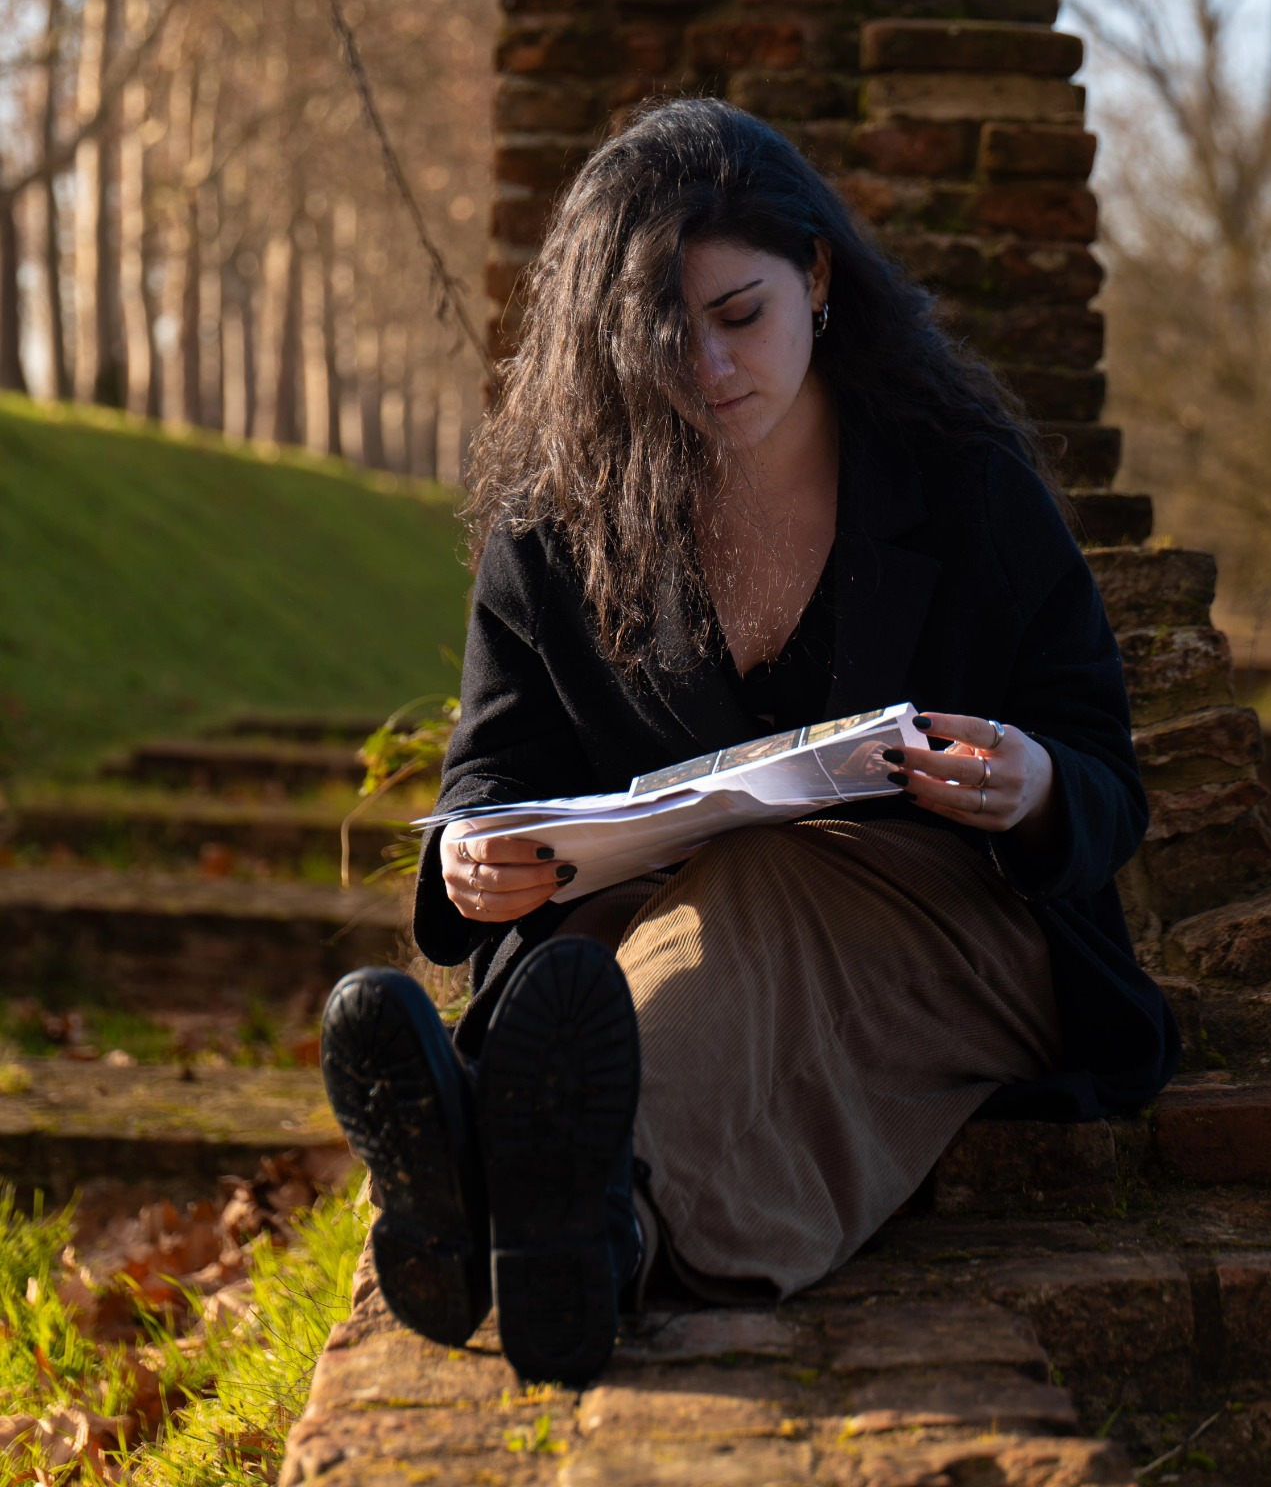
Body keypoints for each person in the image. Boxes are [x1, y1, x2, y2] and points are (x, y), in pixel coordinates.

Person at [321, 97, 1178, 1389]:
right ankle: (576, 1244)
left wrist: (1034, 782)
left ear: (816, 277)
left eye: (739, 317)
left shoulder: (960, 479)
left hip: (953, 932)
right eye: (659, 337)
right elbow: (492, 771)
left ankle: (496, 1188)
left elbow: (1099, 760)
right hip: (641, 902)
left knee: (760, 888)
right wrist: (470, 858)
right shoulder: (553, 522)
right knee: (621, 947)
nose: (709, 369)